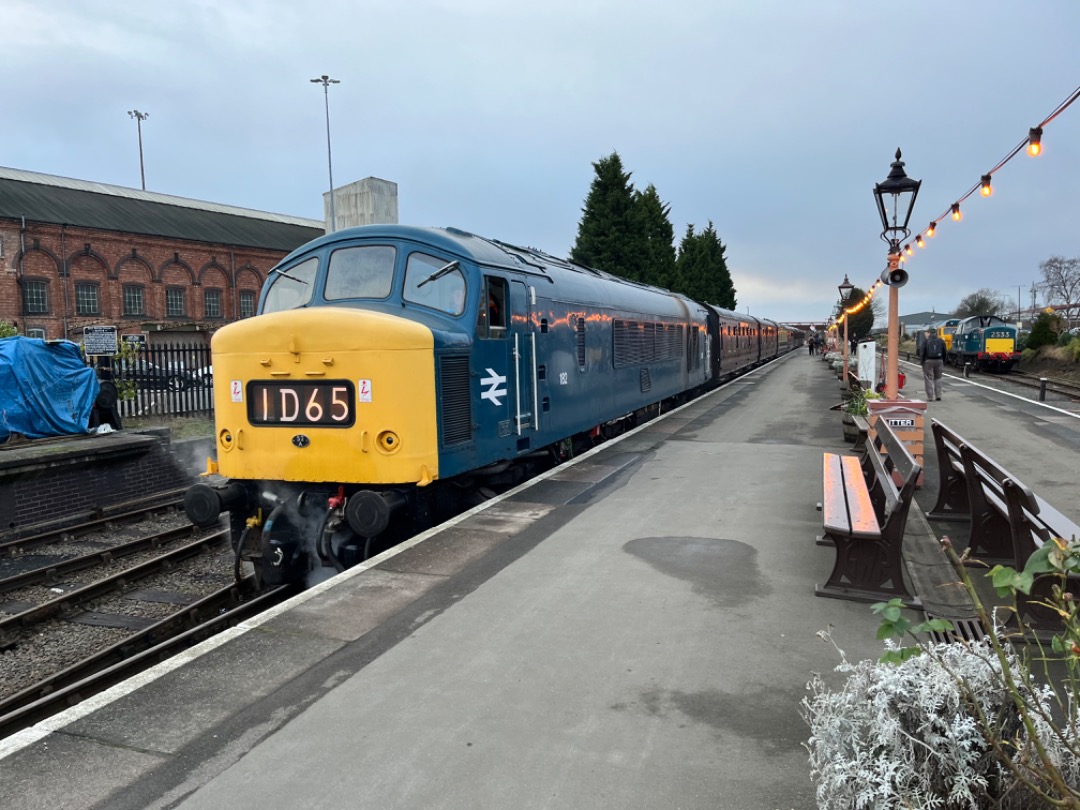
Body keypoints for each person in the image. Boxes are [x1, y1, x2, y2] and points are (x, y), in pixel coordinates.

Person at [919, 326, 946, 401]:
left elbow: (922, 352)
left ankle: (930, 396)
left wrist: (922, 362)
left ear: (929, 333)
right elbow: (945, 352)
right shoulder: (941, 341)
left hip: (928, 361)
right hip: (939, 361)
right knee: (938, 378)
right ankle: (938, 395)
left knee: (928, 378)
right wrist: (943, 361)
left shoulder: (926, 341)